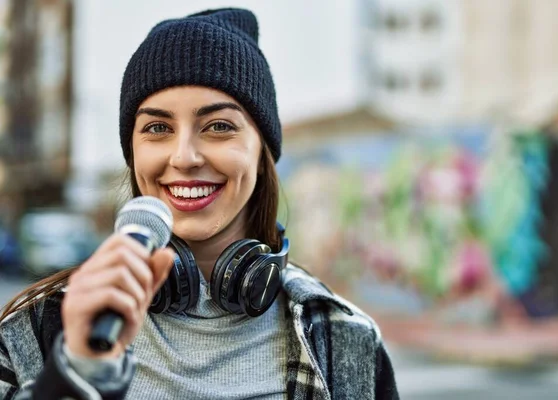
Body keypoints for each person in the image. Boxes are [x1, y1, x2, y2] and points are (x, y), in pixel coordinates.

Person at [0, 8, 399, 400]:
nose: (184, 157)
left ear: (262, 154)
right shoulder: (34, 332)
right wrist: (74, 374)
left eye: (219, 126)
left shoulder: (346, 341)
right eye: (158, 128)